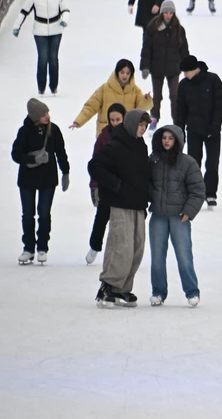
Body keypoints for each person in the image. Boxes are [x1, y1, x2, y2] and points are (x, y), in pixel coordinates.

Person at [88, 109, 153, 308]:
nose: (143, 129)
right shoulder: (116, 146)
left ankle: (122, 288)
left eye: (145, 126)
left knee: (136, 248)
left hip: (138, 205)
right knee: (121, 246)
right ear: (132, 124)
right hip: (119, 204)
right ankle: (108, 286)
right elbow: (95, 165)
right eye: (140, 125)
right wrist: (115, 185)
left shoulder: (141, 146)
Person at [148, 125, 206, 308]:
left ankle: (192, 292)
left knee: (184, 256)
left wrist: (189, 211)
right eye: (164, 137)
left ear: (178, 141)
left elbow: (198, 190)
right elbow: (144, 184)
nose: (166, 141)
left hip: (179, 217)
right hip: (158, 216)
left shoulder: (188, 163)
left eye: (170, 138)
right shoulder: (153, 161)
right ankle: (158, 291)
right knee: (157, 257)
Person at [11, 98, 70, 265]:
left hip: (48, 179)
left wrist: (65, 171)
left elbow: (61, 152)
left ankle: (42, 247)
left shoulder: (54, 130)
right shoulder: (24, 132)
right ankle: (28, 248)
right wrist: (32, 158)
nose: (47, 116)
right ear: (35, 117)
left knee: (44, 213)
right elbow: (16, 154)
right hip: (27, 179)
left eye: (47, 113)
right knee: (28, 214)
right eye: (43, 114)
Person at [175, 55, 222, 208]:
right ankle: (195, 193)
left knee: (212, 163)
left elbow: (219, 107)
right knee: (193, 163)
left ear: (195, 69)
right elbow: (180, 111)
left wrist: (214, 128)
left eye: (186, 72)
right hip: (194, 130)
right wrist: (179, 131)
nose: (185, 75)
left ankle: (210, 194)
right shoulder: (183, 85)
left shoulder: (213, 80)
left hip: (212, 131)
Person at [12, 0, 69, 96]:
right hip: (40, 31)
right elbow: (24, 11)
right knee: (43, 58)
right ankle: (41, 86)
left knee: (53, 58)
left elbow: (65, 9)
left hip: (56, 30)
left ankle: (54, 86)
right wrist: (17, 26)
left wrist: (64, 20)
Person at [86, 103, 126, 265]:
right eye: (112, 120)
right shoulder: (104, 137)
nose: (115, 122)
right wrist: (95, 184)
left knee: (123, 220)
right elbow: (96, 162)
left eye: (118, 119)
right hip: (107, 184)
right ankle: (94, 246)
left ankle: (121, 251)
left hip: (125, 185)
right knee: (102, 217)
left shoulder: (131, 135)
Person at [71, 59, 153, 137]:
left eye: (128, 73)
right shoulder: (104, 88)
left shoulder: (135, 91)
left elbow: (140, 110)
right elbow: (91, 106)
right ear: (117, 72)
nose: (125, 75)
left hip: (126, 133)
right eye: (122, 72)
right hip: (106, 133)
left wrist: (146, 100)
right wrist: (79, 121)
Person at [141, 0, 190, 128]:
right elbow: (147, 48)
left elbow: (184, 50)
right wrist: (145, 66)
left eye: (171, 13)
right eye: (166, 12)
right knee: (157, 96)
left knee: (175, 95)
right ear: (162, 13)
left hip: (174, 68)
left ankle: (177, 120)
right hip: (157, 68)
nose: (168, 15)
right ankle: (154, 118)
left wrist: (188, 67)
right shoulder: (153, 27)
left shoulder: (178, 29)